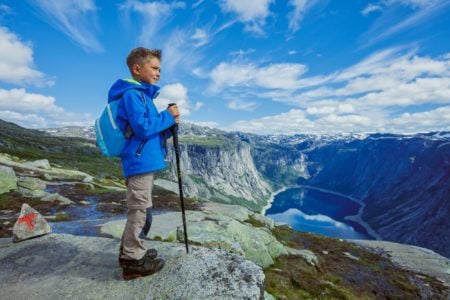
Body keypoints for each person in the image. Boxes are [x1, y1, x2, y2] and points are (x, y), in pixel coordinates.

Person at [107, 47, 180, 280]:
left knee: (144, 211)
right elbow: (143, 128)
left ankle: (135, 250)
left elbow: (150, 133)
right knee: (139, 211)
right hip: (138, 163)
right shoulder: (132, 95)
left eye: (160, 69)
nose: (159, 73)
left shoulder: (143, 96)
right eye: (155, 68)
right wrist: (167, 116)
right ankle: (132, 260)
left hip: (144, 162)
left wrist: (169, 126)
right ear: (137, 69)